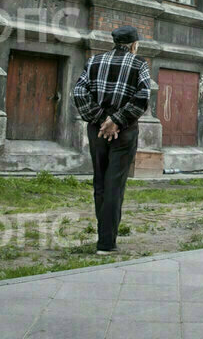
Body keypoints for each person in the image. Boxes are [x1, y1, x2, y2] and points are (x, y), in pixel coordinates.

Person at [72, 25, 151, 255]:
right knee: (115, 184)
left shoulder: (94, 61)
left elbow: (78, 92)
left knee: (100, 182)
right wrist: (116, 120)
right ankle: (107, 243)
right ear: (134, 44)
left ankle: (103, 237)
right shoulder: (139, 64)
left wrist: (100, 119)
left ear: (114, 42)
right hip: (124, 131)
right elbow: (143, 95)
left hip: (97, 131)